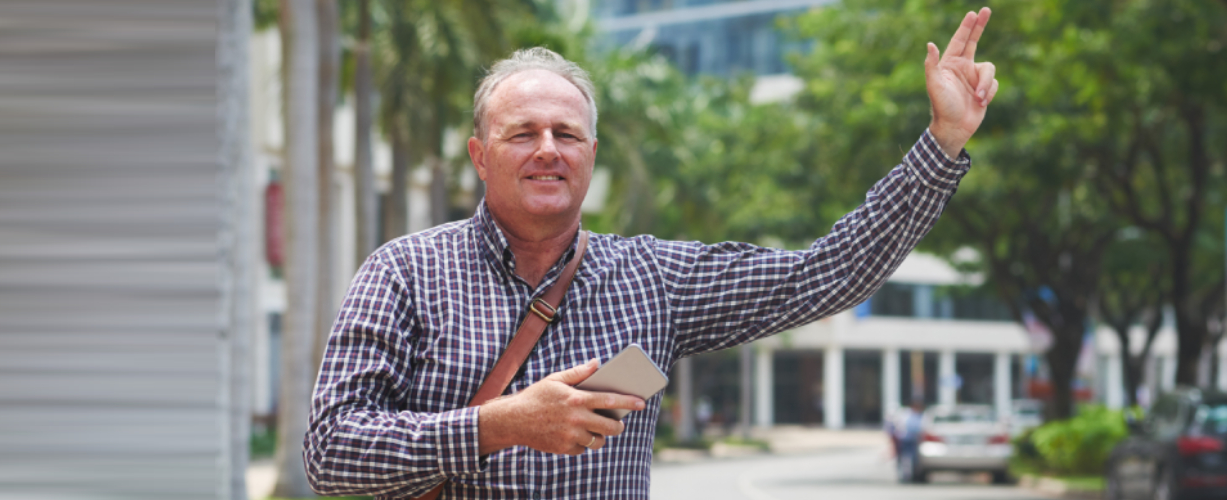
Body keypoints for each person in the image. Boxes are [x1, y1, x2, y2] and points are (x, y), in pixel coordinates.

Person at [305, 8, 1001, 499]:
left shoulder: (652, 278)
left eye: (567, 134)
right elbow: (329, 451)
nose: (548, 148)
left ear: (592, 156)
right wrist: (502, 424)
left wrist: (940, 143)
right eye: (523, 133)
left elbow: (824, 273)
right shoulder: (404, 271)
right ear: (481, 157)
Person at [887, 397, 931, 483]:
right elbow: (899, 426)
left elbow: (923, 427)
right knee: (903, 458)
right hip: (905, 439)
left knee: (914, 459)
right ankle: (904, 476)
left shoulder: (921, 415)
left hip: (915, 439)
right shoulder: (906, 414)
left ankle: (914, 476)